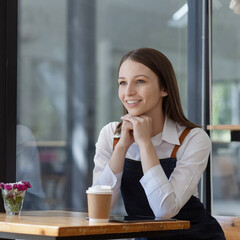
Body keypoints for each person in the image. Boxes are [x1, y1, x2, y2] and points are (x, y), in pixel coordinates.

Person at [92, 48, 225, 239]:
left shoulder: (193, 138)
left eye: (140, 81)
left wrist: (145, 144)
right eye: (122, 82)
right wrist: (121, 147)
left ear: (165, 88)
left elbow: (164, 211)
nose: (128, 91)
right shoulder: (110, 135)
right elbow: (100, 209)